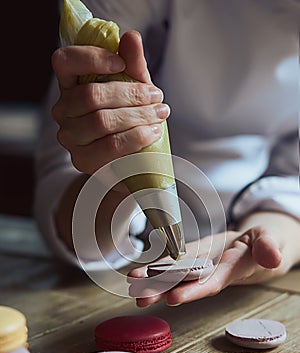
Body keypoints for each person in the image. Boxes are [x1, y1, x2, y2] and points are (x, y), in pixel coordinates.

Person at [34, 0, 300, 307]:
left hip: (255, 273)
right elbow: (64, 191)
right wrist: (117, 179)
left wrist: (276, 235)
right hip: (115, 268)